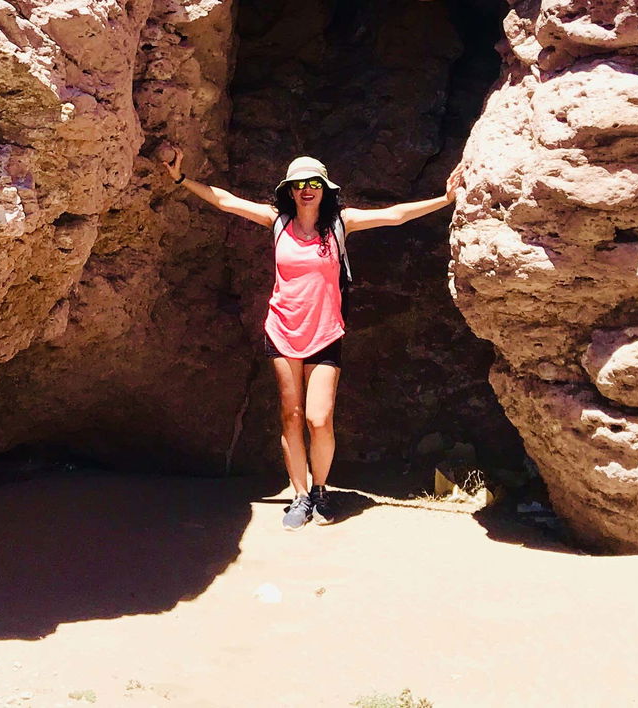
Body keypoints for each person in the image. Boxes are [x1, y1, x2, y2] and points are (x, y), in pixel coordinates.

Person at [162, 148, 463, 530]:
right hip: (283, 328)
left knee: (319, 418)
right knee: (290, 415)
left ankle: (321, 491)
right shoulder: (277, 221)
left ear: (324, 188)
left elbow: (396, 215)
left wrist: (446, 199)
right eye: (299, 184)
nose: (307, 189)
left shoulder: (341, 222)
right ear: (289, 190)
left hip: (324, 331)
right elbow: (227, 201)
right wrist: (180, 179)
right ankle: (300, 495)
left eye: (313, 183)